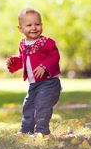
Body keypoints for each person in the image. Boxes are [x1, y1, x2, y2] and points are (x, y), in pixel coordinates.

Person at [6, 7, 61, 136]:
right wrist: (15, 63)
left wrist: (44, 67)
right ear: (20, 28)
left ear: (42, 25)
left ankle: (42, 131)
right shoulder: (23, 44)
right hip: (33, 84)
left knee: (42, 106)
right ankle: (26, 130)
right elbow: (25, 60)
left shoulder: (47, 43)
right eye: (29, 25)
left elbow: (54, 57)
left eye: (37, 24)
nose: (34, 28)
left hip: (49, 83)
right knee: (28, 106)